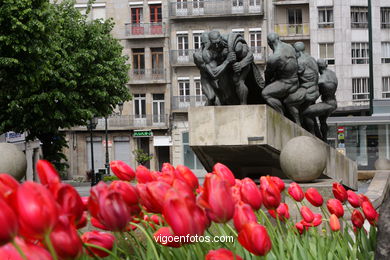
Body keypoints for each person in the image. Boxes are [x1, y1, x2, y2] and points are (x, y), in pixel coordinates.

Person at [262, 33, 302, 125]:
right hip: (296, 80)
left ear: (269, 43)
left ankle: (281, 115)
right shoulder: (290, 47)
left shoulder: (274, 57)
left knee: (265, 93)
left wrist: (267, 85)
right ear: (278, 38)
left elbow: (268, 76)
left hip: (287, 83)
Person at [302, 59, 338, 141]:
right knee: (322, 120)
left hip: (327, 103)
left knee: (306, 113)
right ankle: (324, 139)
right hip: (333, 102)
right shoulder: (332, 73)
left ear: (317, 68)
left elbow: (315, 94)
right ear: (326, 65)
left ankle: (312, 135)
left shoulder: (321, 80)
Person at [293, 41, 320, 132]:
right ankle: (314, 133)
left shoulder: (300, 61)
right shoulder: (311, 59)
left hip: (308, 89)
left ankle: (306, 131)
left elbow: (295, 75)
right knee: (309, 113)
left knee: (291, 103)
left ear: (297, 51)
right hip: (315, 88)